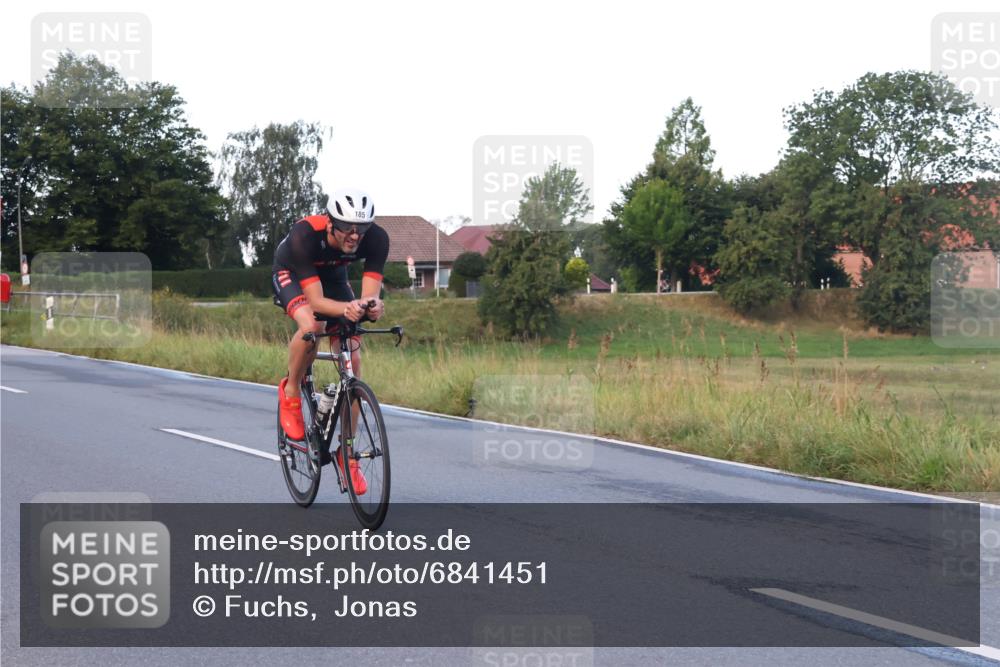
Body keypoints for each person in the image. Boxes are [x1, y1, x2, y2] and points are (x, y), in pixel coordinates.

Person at [271, 188, 388, 494]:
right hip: (292, 274)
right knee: (312, 325)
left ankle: (347, 453)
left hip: (334, 279)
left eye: (362, 228)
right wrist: (348, 309)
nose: (355, 235)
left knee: (353, 359)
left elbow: (369, 296)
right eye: (347, 227)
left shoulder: (377, 239)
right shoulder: (305, 235)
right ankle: (291, 392)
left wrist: (372, 306)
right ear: (330, 222)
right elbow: (317, 302)